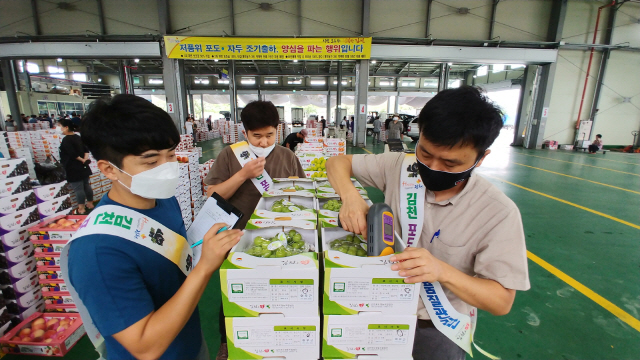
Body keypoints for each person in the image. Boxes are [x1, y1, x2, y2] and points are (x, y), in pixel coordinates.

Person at [326, 86, 530, 360]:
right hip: (376, 304)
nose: (433, 167)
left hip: (435, 325)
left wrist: (442, 271)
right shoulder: (400, 167)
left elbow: (501, 301)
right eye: (425, 153)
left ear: (481, 158)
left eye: (449, 163)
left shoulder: (497, 213)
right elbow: (338, 162)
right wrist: (350, 196)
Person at [65, 94, 242, 360]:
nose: (168, 168)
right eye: (150, 162)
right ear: (109, 169)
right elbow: (145, 347)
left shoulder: (165, 200)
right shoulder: (97, 251)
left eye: (171, 155)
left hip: (191, 344)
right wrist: (205, 267)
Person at [204, 100, 306, 229]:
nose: (264, 142)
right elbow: (211, 196)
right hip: (239, 231)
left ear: (277, 130)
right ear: (245, 133)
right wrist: (243, 175)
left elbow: (302, 192)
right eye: (257, 136)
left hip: (280, 230)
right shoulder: (229, 154)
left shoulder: (288, 156)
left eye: (270, 135)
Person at [58, 119, 94, 215]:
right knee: (86, 185)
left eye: (60, 126)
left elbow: (72, 154)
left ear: (66, 127)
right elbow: (86, 150)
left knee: (78, 188)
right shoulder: (78, 137)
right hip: (83, 166)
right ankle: (90, 203)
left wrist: (82, 160)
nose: (59, 128)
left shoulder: (66, 140)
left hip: (73, 167)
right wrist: (85, 160)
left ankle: (81, 208)